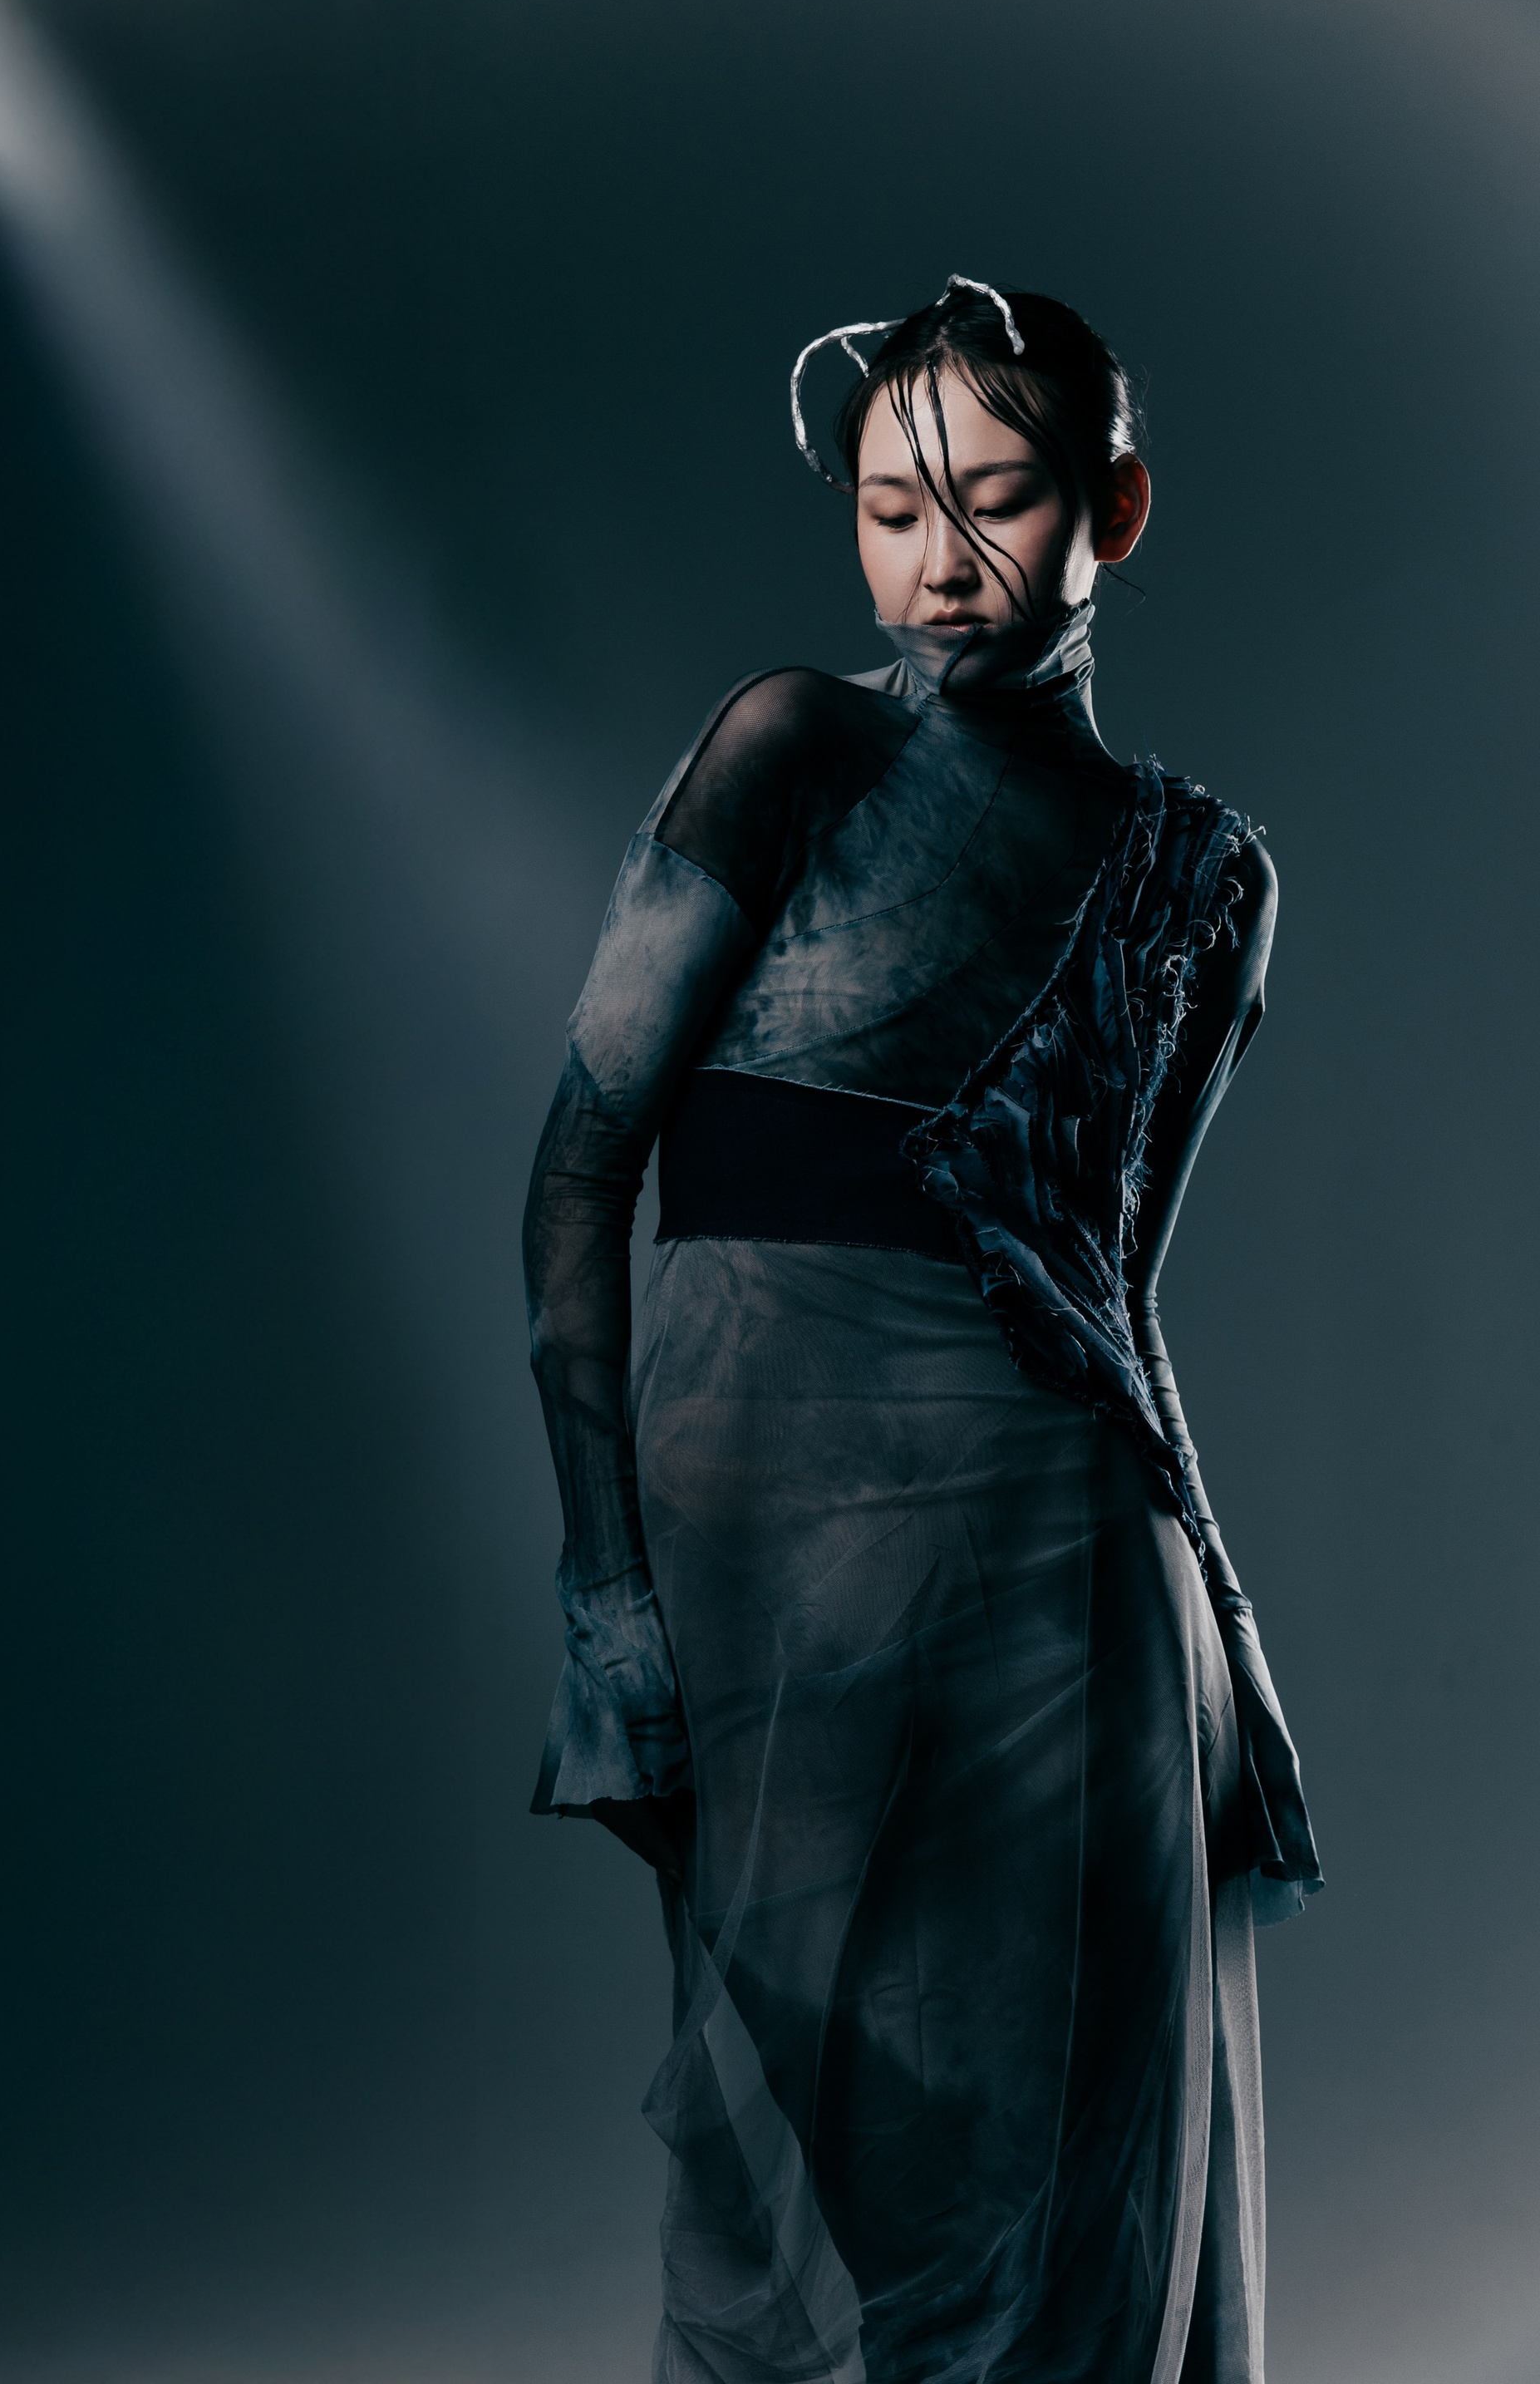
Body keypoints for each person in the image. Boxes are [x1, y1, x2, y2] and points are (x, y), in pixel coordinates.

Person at [523, 276, 1322, 2384]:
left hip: (1070, 1568)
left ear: (1112, 508)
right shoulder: (794, 749)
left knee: (1057, 2165)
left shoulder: (1204, 881)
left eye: (997, 500)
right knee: (817, 2162)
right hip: (769, 1547)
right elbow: (581, 1170)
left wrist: (1232, 1632)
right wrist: (604, 1605)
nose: (941, 563)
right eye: (893, 511)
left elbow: (1117, 1285)